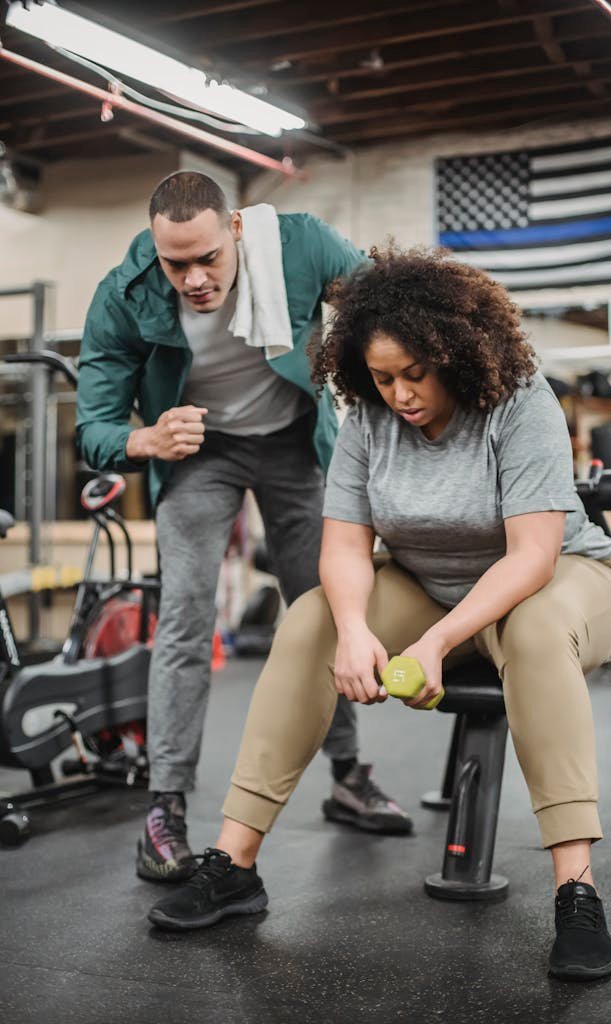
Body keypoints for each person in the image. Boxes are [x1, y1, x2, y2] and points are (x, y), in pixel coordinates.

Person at [147, 246, 611, 981]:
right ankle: (235, 863)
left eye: (415, 374)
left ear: (456, 356)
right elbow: (344, 545)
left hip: (556, 578)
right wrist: (350, 630)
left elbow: (531, 555)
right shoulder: (368, 415)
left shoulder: (518, 398)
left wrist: (436, 641)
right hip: (427, 579)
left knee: (532, 631)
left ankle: (575, 888)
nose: (399, 394)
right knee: (308, 618)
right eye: (381, 377)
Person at [75, 173, 413, 883]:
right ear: (156, 252)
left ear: (235, 231)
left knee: (321, 609)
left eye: (207, 259)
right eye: (176, 265)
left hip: (294, 442)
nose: (195, 279)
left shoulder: (300, 246)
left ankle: (349, 775)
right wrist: (146, 440)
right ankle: (163, 810)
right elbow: (95, 428)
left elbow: (390, 306)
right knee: (185, 620)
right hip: (199, 453)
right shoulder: (125, 293)